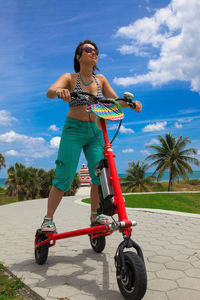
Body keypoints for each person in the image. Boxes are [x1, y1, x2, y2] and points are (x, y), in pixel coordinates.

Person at [41, 40, 142, 232]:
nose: (94, 53)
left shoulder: (101, 79)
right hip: (73, 131)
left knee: (100, 175)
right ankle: (48, 220)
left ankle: (96, 216)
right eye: (88, 50)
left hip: (95, 131)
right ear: (78, 56)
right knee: (64, 177)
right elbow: (49, 92)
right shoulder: (70, 78)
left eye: (96, 51)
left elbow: (114, 101)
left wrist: (130, 103)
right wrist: (60, 91)